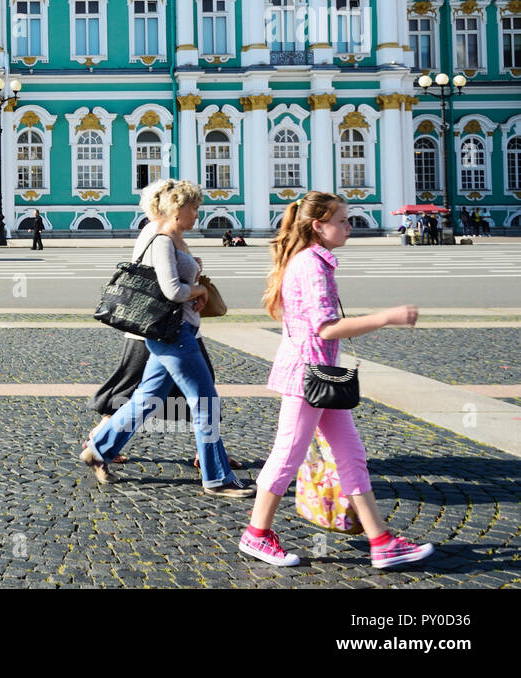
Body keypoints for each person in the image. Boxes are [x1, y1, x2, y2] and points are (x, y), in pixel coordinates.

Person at [239, 191, 434, 569]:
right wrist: (386, 317)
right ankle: (256, 535)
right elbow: (326, 328)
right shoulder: (310, 266)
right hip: (307, 378)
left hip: (323, 378)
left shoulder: (315, 261)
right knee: (287, 455)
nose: (349, 227)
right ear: (318, 226)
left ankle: (381, 541)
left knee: (351, 456)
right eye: (342, 220)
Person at [81, 179, 253, 497]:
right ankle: (217, 478)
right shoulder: (161, 240)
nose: (198, 214)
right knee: (205, 402)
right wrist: (199, 289)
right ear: (178, 208)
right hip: (173, 333)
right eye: (194, 207)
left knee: (146, 399)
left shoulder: (173, 238)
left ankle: (100, 448)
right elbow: (171, 290)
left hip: (174, 331)